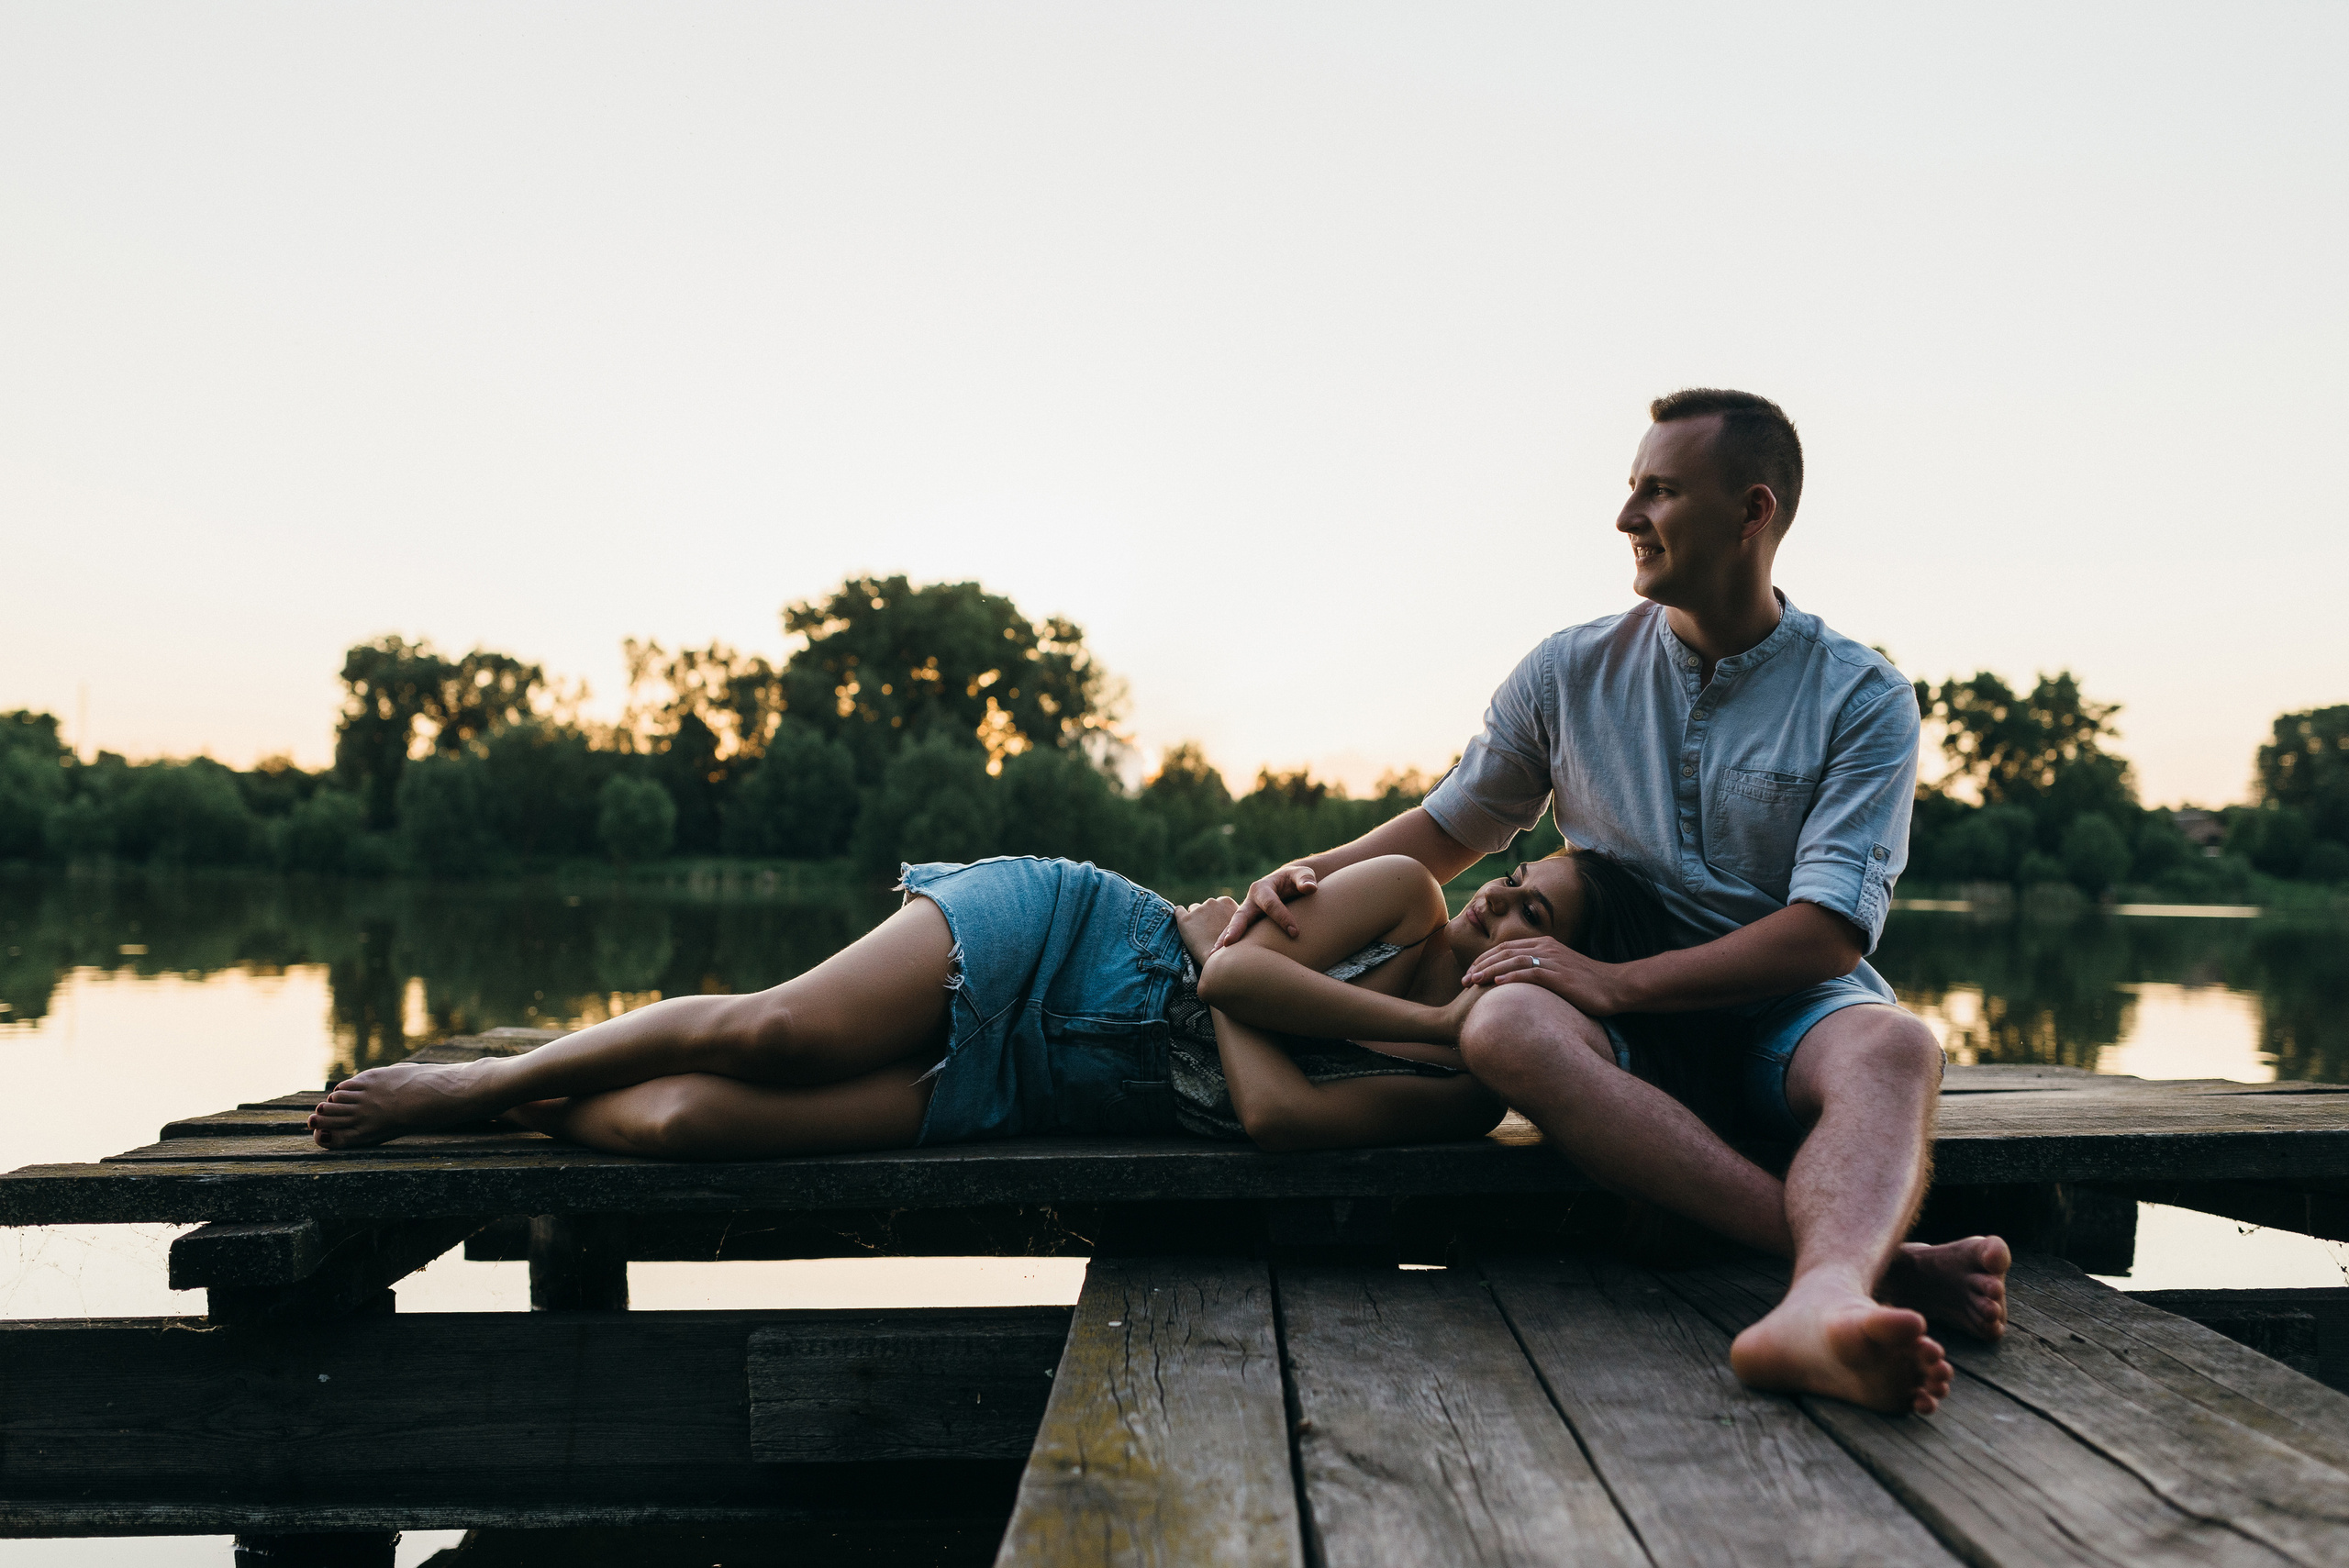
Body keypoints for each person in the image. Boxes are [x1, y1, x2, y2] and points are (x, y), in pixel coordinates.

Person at [1214, 388, 2009, 1416]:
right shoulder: (1569, 667)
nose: (1628, 516)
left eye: (1660, 492)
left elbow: (1827, 930)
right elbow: (1449, 827)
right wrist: (1294, 873)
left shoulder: (1860, 694)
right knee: (1503, 1023)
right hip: (1604, 1017)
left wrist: (1619, 981)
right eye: (1631, 489)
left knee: (1897, 1046)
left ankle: (1817, 1305)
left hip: (1782, 1014)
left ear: (1750, 511)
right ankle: (1868, 1274)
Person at [307, 846, 1660, 1161]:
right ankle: (473, 1086)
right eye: (1515, 880)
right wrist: (1426, 1021)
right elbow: (1232, 978)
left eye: (1536, 922)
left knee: (682, 1127)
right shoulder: (1410, 901)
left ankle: (546, 1105)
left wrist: (1239, 970)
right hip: (1068, 938)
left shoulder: (1469, 1099)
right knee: (781, 1030)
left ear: (1574, 978)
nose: (1499, 908)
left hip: (1053, 1083)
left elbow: (1270, 1112)